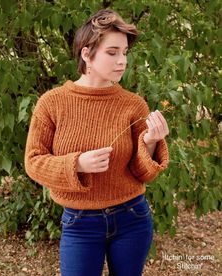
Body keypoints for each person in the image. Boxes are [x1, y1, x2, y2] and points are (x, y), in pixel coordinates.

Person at [24, 9, 169, 276]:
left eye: (124, 52)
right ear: (87, 54)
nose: (122, 61)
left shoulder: (133, 105)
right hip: (80, 222)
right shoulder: (52, 103)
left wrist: (149, 141)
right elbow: (33, 163)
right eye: (112, 52)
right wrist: (76, 163)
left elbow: (142, 173)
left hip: (132, 218)